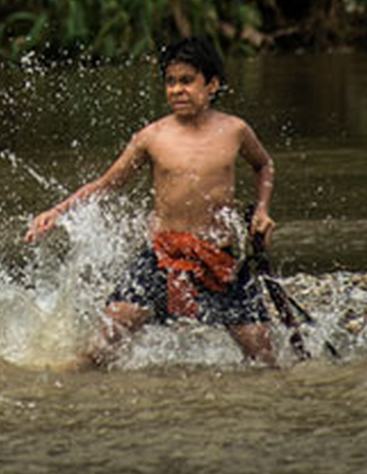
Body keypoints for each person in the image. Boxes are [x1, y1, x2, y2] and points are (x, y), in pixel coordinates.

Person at [24, 37, 277, 367]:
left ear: (212, 85)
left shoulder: (235, 131)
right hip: (163, 258)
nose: (177, 90)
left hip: (219, 258)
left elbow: (264, 165)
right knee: (99, 348)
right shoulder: (152, 137)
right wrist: (57, 211)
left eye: (187, 80)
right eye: (170, 82)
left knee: (264, 357)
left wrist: (262, 209)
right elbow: (106, 185)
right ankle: (61, 382)